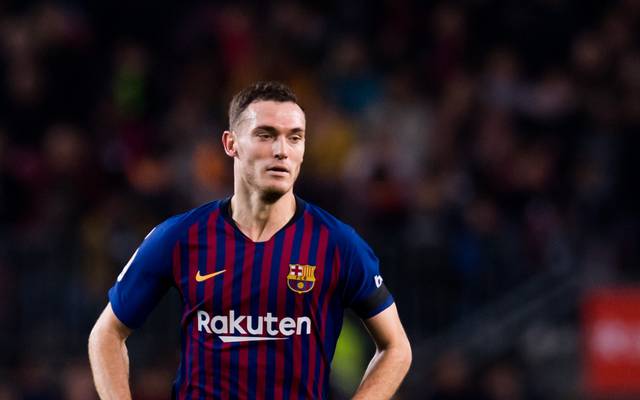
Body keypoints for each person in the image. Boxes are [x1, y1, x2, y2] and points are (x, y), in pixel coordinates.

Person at [88, 81, 412, 399]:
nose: (281, 150)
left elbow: (396, 348)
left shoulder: (337, 244)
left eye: (294, 137)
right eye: (265, 135)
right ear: (231, 144)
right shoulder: (179, 236)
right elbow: (106, 334)